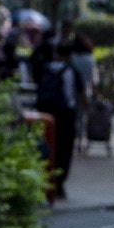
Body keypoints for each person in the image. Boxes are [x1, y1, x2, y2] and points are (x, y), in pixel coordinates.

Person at [31, 40, 79, 202]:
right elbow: (75, 96)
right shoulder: (70, 71)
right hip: (65, 116)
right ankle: (58, 183)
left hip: (45, 113)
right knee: (64, 149)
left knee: (46, 148)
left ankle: (44, 181)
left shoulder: (45, 69)